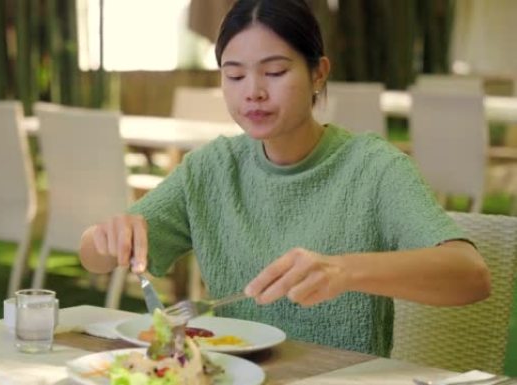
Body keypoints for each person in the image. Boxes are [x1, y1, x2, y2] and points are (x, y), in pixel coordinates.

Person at [78, 0, 490, 356]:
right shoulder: (211, 169)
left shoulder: (373, 168)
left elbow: (470, 276)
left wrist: (344, 271)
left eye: (274, 72)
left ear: (318, 74)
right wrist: (107, 237)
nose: (252, 92)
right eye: (234, 75)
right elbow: (90, 255)